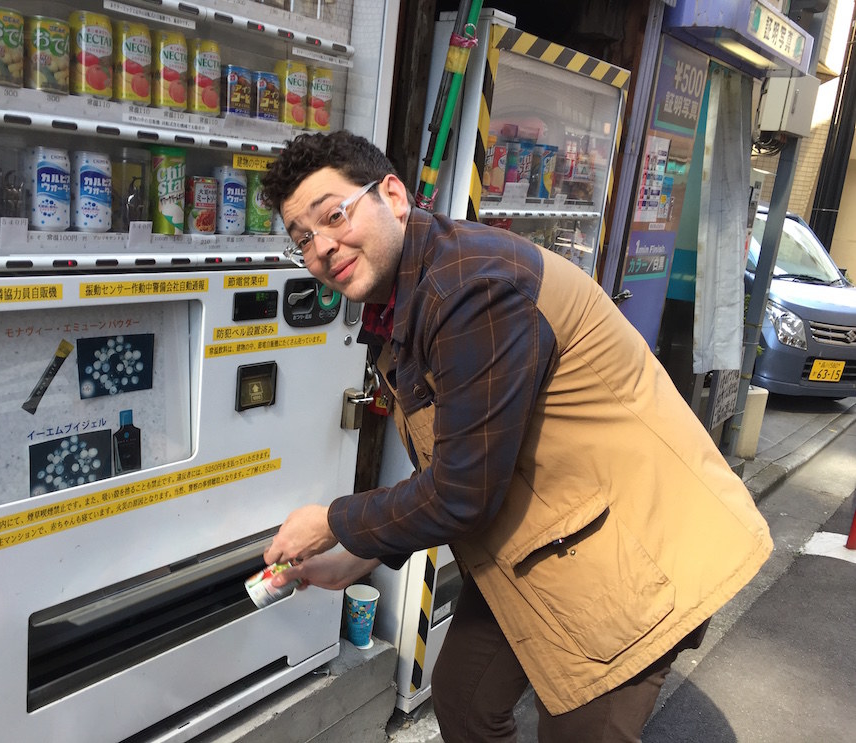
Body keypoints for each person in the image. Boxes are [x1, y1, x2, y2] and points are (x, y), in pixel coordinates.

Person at [260, 130, 772, 742]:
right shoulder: (411, 296)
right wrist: (363, 553)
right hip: (548, 535)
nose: (322, 248)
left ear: (392, 195)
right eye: (303, 240)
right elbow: (459, 458)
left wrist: (335, 522)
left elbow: (460, 492)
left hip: (634, 554)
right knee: (467, 698)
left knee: (578, 731)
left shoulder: (470, 287)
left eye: (334, 215)